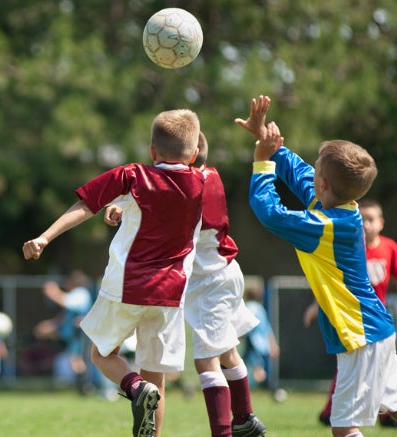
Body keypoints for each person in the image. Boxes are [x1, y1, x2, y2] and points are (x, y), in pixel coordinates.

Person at [241, 95, 397, 437]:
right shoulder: (340, 209)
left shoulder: (326, 225)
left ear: (325, 184)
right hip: (375, 332)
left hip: (359, 337)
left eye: (317, 168)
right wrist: (268, 144)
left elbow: (270, 213)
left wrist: (261, 163)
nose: (311, 170)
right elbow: (303, 176)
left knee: (343, 427)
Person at [23, 108, 205, 437]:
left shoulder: (135, 176)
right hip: (171, 294)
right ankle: (147, 403)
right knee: (156, 377)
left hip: (127, 287)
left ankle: (133, 387)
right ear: (193, 154)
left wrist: (44, 237)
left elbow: (86, 205)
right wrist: (127, 206)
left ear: (152, 151)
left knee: (101, 354)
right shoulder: (205, 183)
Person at [104, 132, 267, 437]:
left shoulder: (191, 185)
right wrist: (125, 207)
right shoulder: (211, 177)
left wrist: (125, 207)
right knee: (228, 351)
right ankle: (245, 416)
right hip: (228, 271)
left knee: (206, 361)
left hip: (208, 282)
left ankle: (226, 431)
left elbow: (161, 205)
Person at [303, 199, 397, 426]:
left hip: (378, 321)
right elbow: (333, 284)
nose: (366, 224)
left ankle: (389, 413)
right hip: (352, 319)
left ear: (381, 223)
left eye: (371, 219)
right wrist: (316, 307)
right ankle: (331, 411)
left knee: (385, 367)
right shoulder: (350, 247)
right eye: (361, 219)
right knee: (348, 365)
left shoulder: (389, 247)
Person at [34, 270, 93, 394]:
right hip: (72, 334)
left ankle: (86, 387)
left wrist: (53, 292)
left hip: (79, 333)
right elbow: (65, 316)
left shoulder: (81, 293)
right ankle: (83, 387)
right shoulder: (75, 293)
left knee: (78, 360)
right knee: (75, 360)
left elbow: (67, 302)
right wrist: (51, 325)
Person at [240, 280, 280, 392]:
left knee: (256, 368)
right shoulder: (260, 309)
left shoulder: (248, 307)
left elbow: (246, 324)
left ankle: (269, 387)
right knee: (247, 364)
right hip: (262, 343)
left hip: (253, 342)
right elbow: (267, 328)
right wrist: (273, 345)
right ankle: (265, 386)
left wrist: (240, 336)